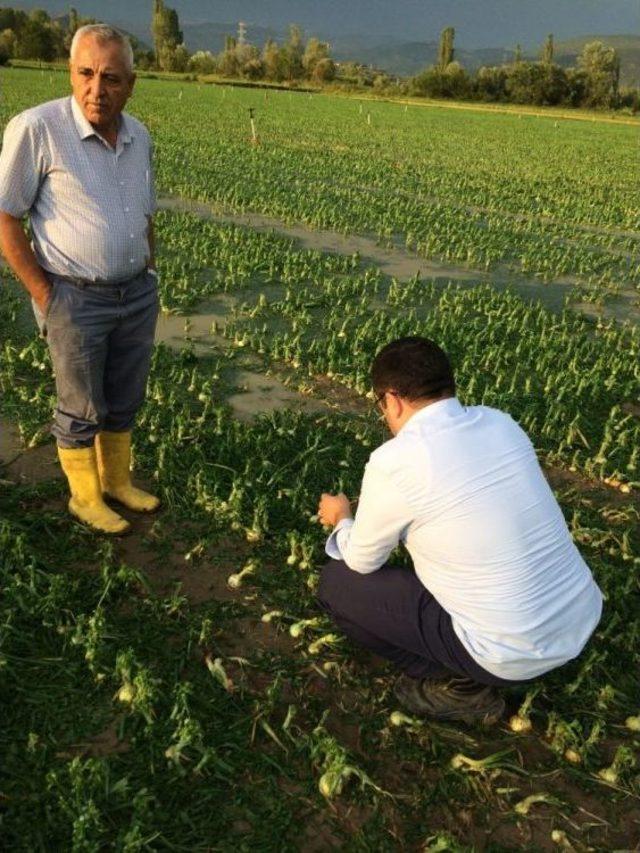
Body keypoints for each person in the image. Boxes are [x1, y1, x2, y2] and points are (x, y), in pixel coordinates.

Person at [317, 337, 603, 724]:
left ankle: (459, 685)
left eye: (381, 405)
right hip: (580, 615)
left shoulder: (394, 462)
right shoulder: (501, 422)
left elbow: (362, 560)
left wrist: (342, 519)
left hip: (508, 652)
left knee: (338, 584)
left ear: (393, 399)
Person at [0, 24, 160, 534]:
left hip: (135, 292)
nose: (97, 89)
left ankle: (116, 481)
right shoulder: (38, 128)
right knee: (80, 404)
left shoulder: (139, 137)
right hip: (74, 294)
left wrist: (148, 269)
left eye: (111, 78)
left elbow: (147, 214)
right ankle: (84, 497)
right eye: (86, 74)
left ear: (130, 84)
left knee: (125, 393)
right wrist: (46, 295)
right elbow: (5, 217)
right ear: (70, 73)